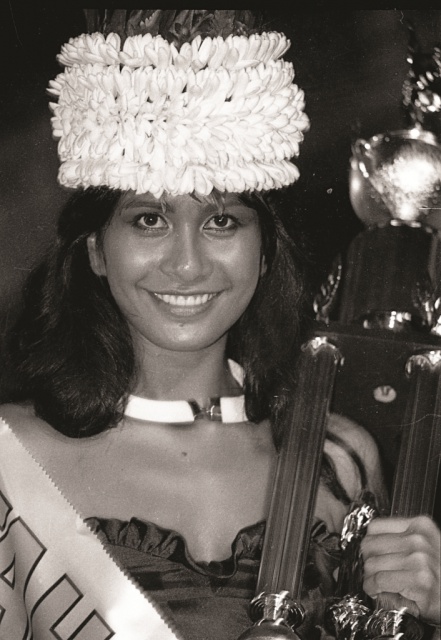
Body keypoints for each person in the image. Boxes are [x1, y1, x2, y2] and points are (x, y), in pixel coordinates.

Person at [0, 9, 439, 640]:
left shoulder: (338, 459)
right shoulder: (14, 457)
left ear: (265, 251)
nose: (187, 264)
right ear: (95, 249)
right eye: (149, 220)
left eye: (222, 221)